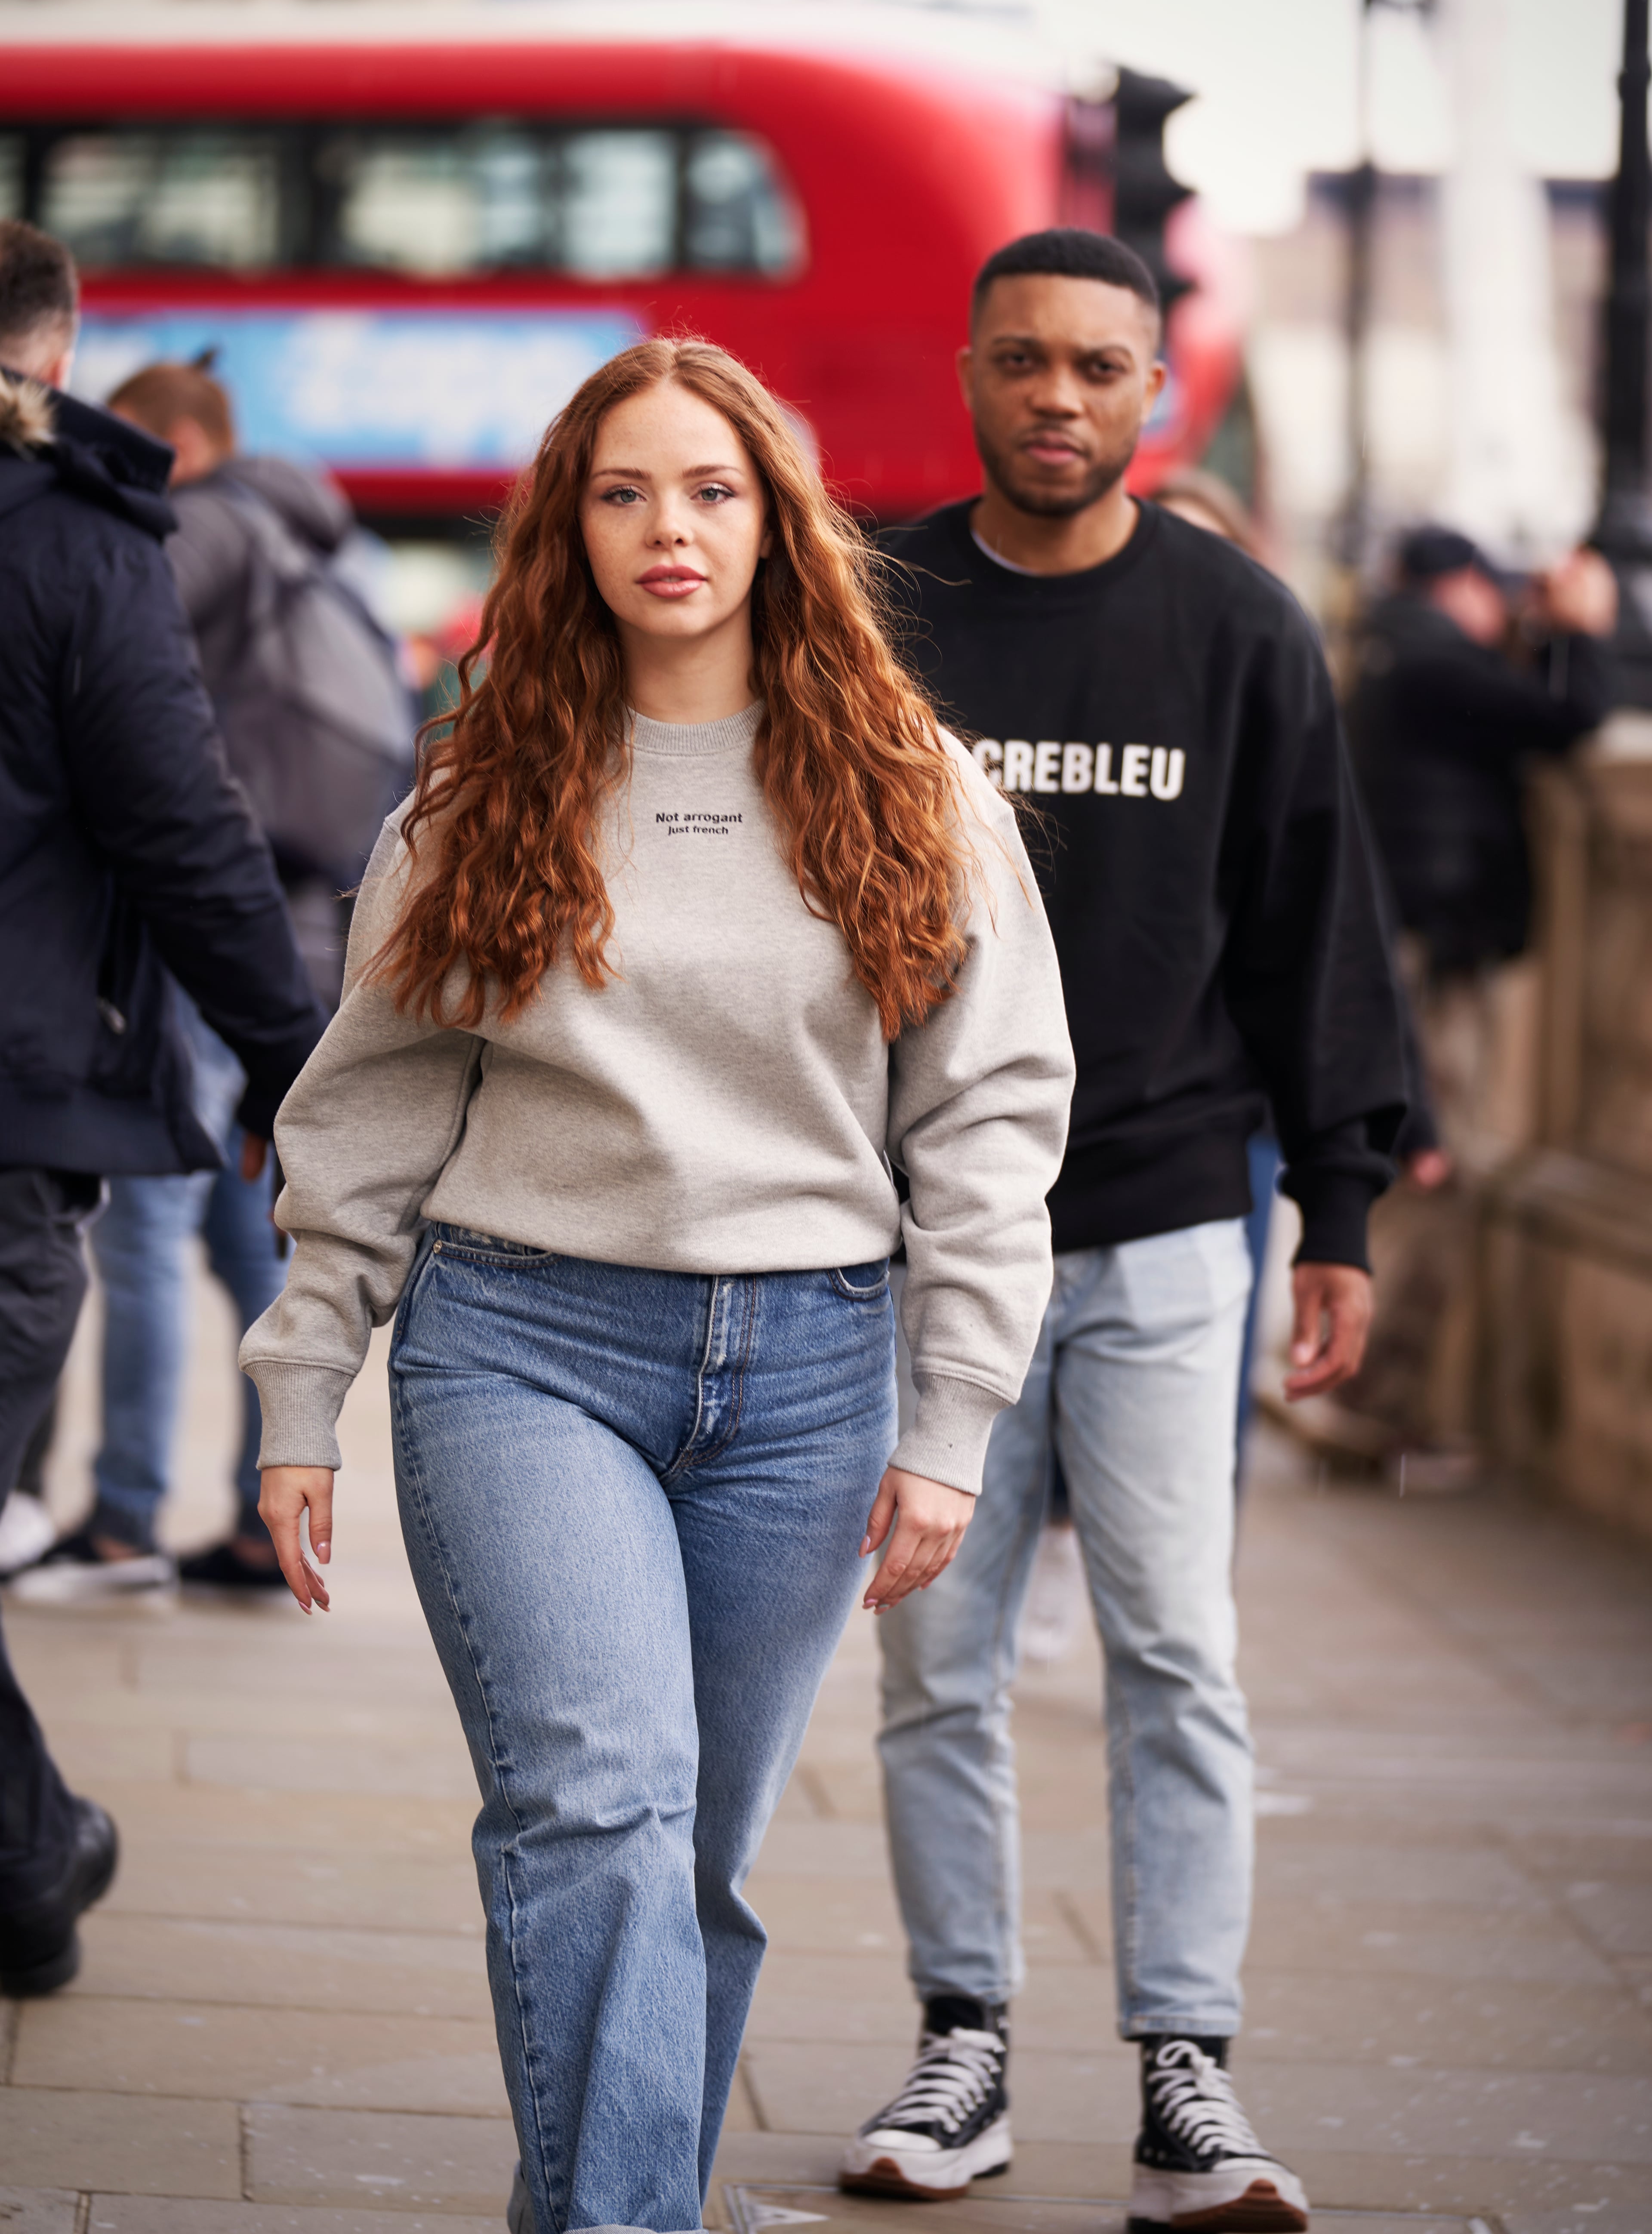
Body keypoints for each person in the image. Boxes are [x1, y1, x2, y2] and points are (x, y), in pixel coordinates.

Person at [239, 337, 1075, 2234]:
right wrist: (304, 1387)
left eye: (711, 490)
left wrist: (950, 1424)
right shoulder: (485, 793)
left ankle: (625, 2199)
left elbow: (993, 1120)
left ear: (780, 522)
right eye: (624, 493)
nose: (669, 530)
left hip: (810, 1366)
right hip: (524, 1347)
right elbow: (367, 1111)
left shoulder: (905, 787)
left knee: (688, 1857)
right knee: (598, 1812)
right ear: (571, 528)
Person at [841, 230, 1409, 2233]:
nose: (1057, 398)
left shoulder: (1240, 627)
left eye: (1097, 365)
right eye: (1022, 363)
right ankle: (964, 2037)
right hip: (926, 1231)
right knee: (936, 1663)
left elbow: (1310, 918)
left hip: (1173, 1217)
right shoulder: (883, 610)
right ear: (972, 378)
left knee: (1179, 1648)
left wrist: (1335, 1196)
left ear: (1152, 390)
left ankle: (1186, 2076)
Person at [0, 219, 326, 1993]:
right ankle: (37, 1851)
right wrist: (295, 1064)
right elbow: (183, 828)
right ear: (52, 355)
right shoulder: (74, 538)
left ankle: (31, 1865)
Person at [17, 360, 412, 1596]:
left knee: (140, 1235)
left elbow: (105, 672)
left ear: (179, 444)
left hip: (198, 935)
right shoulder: (326, 550)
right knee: (258, 1235)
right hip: (289, 928)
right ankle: (257, 1519)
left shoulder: (204, 529)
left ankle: (124, 1516)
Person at [1334, 522, 1616, 1465]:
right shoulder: (1434, 661)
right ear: (1457, 587)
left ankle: (1366, 1396)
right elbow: (1573, 719)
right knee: (1434, 1170)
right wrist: (1579, 631)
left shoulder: (1387, 653)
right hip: (1441, 948)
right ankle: (1378, 1411)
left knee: (1414, 1165)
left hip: (1412, 938)